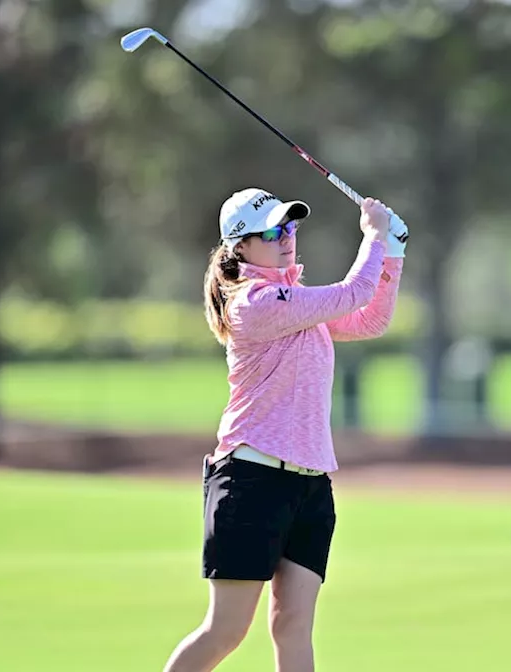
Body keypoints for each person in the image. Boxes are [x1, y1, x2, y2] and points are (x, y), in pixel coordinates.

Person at [163, 187, 407, 672]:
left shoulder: (294, 301)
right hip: (252, 479)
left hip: (310, 483)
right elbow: (352, 293)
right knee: (226, 631)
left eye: (291, 227)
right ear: (240, 248)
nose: (286, 238)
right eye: (272, 231)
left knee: (293, 628)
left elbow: (371, 317)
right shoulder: (254, 302)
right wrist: (375, 236)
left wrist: (393, 252)